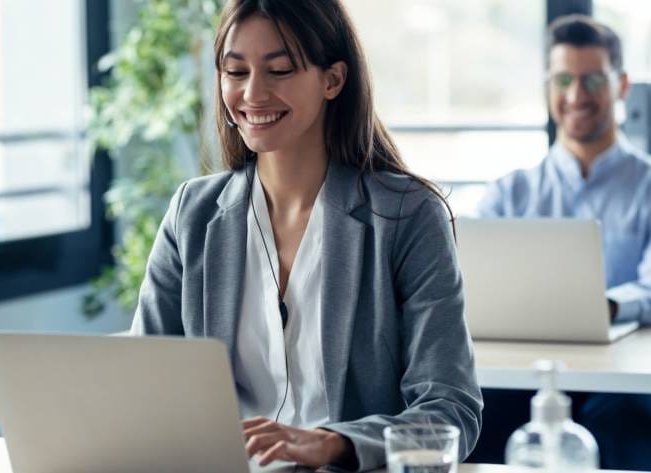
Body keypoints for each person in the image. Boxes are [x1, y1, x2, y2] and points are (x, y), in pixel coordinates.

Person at [129, 0, 482, 470]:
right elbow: (141, 383)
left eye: (278, 70)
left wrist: (331, 442)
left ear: (332, 80)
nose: (253, 93)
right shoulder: (191, 215)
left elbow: (449, 413)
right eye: (235, 72)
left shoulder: (407, 215)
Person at [469, 15, 651, 473]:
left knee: (641, 430)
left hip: (635, 378)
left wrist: (603, 305)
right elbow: (471, 286)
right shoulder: (507, 193)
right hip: (524, 373)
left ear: (622, 85)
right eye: (563, 79)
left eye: (593, 79)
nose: (577, 95)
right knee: (471, 422)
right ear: (548, 86)